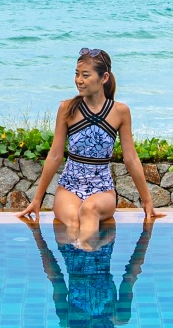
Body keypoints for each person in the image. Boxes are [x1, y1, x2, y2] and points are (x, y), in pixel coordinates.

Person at [20, 48, 159, 240]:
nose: (79, 80)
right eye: (77, 74)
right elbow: (55, 155)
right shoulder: (67, 108)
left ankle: (85, 248)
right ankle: (84, 252)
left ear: (104, 78)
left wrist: (147, 201)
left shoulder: (120, 112)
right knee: (74, 221)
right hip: (69, 187)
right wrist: (37, 200)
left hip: (102, 190)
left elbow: (131, 159)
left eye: (85, 75)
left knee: (89, 210)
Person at [20, 211, 153, 328]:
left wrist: (37, 235)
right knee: (87, 210)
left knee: (80, 211)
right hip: (86, 245)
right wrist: (147, 232)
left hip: (90, 246)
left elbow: (55, 278)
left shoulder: (70, 323)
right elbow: (55, 278)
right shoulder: (116, 317)